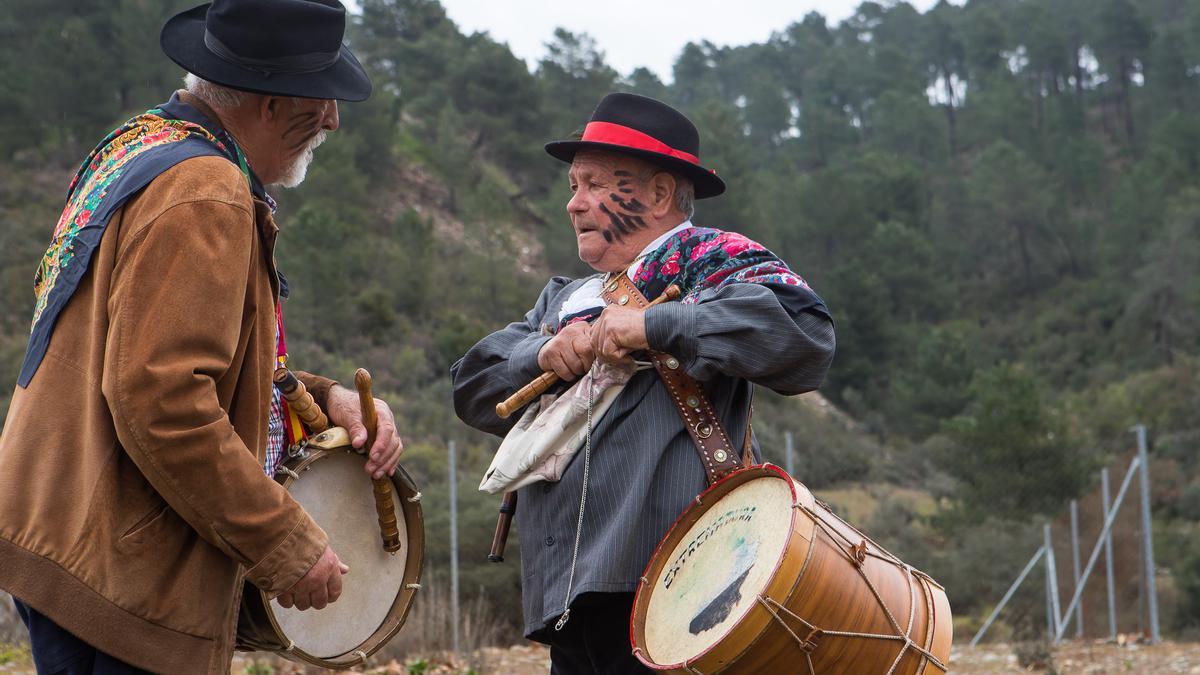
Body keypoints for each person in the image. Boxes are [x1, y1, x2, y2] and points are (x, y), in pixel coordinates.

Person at [0, 1, 403, 672]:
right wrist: (283, 541)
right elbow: (160, 397)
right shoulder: (206, 189)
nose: (332, 118)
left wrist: (320, 397)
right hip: (122, 575)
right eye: (321, 98)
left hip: (70, 539)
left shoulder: (142, 145)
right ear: (270, 103)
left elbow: (153, 351)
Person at [451, 92, 836, 674]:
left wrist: (653, 324)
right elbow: (472, 385)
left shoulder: (716, 263)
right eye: (572, 185)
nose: (572, 204)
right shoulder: (565, 299)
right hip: (567, 596)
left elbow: (806, 340)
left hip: (683, 589)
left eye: (593, 185)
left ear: (658, 193)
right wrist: (543, 352)